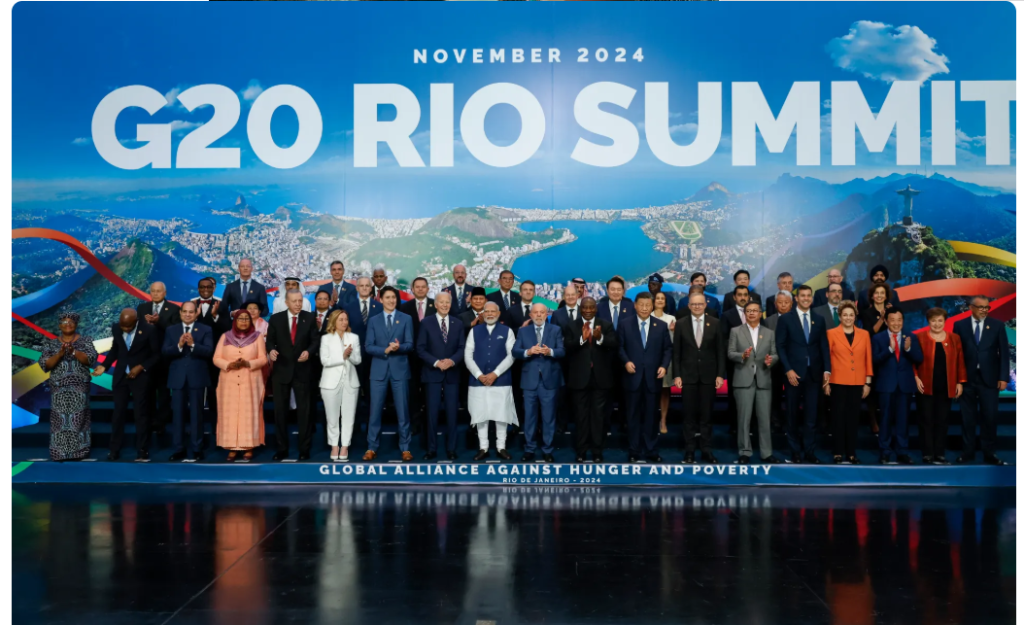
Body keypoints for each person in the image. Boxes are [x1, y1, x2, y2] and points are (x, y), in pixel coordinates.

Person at [93, 309, 160, 461]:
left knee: (140, 414)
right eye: (123, 326)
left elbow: (156, 355)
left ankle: (142, 450)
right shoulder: (116, 328)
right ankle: (114, 450)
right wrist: (104, 365)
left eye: (129, 326)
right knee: (118, 414)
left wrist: (141, 367)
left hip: (140, 378)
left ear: (136, 321)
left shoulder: (149, 330)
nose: (125, 329)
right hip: (121, 377)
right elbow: (115, 349)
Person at [776, 284, 832, 463]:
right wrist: (788, 369)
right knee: (792, 415)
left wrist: (827, 369)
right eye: (803, 295)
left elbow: (823, 346)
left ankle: (809, 451)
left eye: (809, 295)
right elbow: (780, 346)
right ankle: (795, 452)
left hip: (814, 375)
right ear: (796, 298)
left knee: (811, 417)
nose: (806, 298)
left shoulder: (819, 319)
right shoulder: (786, 319)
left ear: (812, 298)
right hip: (793, 375)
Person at [952, 296, 1010, 465]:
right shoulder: (960, 325)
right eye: (981, 307)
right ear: (971, 307)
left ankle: (990, 453)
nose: (984, 310)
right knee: (967, 418)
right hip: (966, 379)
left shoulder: (997, 325)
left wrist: (1003, 377)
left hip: (990, 379)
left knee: (990, 417)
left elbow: (1004, 353)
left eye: (987, 307)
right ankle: (967, 453)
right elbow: (955, 354)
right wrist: (956, 379)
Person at [267, 289, 321, 461]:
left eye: (300, 300)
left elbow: (315, 340)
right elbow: (270, 341)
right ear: (286, 302)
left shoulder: (309, 318)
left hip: (303, 371)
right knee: (280, 413)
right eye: (294, 301)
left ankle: (304, 449)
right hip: (281, 371)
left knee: (304, 413)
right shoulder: (276, 319)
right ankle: (281, 449)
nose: (298, 304)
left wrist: (309, 352)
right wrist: (271, 350)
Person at [618, 292, 672, 463]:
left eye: (647, 305)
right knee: (632, 416)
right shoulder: (625, 324)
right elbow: (619, 347)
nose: (644, 308)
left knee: (651, 416)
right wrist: (626, 362)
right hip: (632, 377)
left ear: (652, 306)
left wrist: (664, 366)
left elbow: (667, 349)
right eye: (641, 305)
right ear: (635, 305)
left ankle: (651, 450)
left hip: (652, 378)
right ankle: (633, 450)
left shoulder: (661, 326)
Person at [672, 292, 726, 464]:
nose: (697, 307)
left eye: (700, 304)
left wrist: (720, 375)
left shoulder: (715, 323)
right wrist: (677, 375)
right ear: (689, 306)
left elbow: (720, 351)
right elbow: (676, 352)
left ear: (705, 305)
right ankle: (689, 451)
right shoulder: (681, 323)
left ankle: (706, 450)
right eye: (694, 304)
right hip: (687, 376)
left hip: (709, 376)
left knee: (706, 416)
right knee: (688, 417)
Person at [362, 286, 414, 462]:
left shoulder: (406, 319)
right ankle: (371, 447)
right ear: (381, 299)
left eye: (394, 297)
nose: (391, 300)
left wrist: (399, 347)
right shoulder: (373, 320)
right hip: (378, 371)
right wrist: (385, 350)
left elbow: (410, 344)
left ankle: (405, 448)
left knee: (403, 411)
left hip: (400, 371)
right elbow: (368, 346)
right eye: (388, 297)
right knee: (375, 412)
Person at [39, 308, 98, 461]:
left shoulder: (85, 341)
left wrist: (74, 352)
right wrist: (59, 354)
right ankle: (59, 453)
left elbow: (90, 360)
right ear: (59, 325)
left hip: (79, 387)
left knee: (79, 420)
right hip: (58, 388)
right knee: (60, 420)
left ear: (76, 324)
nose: (68, 324)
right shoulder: (51, 344)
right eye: (64, 322)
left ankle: (79, 452)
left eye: (71, 322)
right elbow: (46, 365)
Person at [564, 297, 618, 463]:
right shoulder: (571, 326)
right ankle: (581, 451)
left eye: (591, 307)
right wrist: (582, 338)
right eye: (585, 307)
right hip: (579, 379)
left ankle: (597, 452)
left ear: (596, 309)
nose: (588, 310)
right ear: (580, 309)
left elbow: (614, 344)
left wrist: (600, 338)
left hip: (601, 379)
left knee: (598, 417)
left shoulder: (606, 325)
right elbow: (567, 347)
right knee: (580, 417)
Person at [727, 301, 779, 464]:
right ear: (745, 314)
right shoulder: (736, 331)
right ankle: (744, 452)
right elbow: (730, 353)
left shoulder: (769, 333)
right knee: (744, 419)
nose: (751, 313)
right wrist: (741, 356)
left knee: (764, 419)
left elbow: (775, 354)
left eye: (754, 311)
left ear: (760, 313)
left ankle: (766, 453)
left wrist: (771, 360)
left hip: (763, 380)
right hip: (743, 380)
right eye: (748, 311)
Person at [512, 303, 565, 463]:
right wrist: (528, 352)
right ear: (531, 315)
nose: (539, 315)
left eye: (542, 312)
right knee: (529, 417)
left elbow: (562, 351)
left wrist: (550, 351)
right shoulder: (523, 331)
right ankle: (529, 449)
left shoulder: (555, 330)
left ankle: (547, 449)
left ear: (547, 314)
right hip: (530, 381)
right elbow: (515, 351)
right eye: (536, 312)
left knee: (548, 417)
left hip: (549, 380)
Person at [416, 291, 465, 460]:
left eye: (447, 302)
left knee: (452, 414)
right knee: (431, 414)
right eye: (441, 302)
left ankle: (451, 449)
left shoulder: (458, 323)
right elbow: (420, 348)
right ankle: (431, 449)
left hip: (452, 375)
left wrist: (451, 361)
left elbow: (462, 348)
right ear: (435, 304)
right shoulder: (426, 322)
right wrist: (437, 363)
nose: (444, 305)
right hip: (432, 374)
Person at [213, 309, 268, 462]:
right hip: (229, 381)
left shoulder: (257, 337)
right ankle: (231, 447)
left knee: (248, 413)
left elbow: (263, 359)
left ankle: (248, 446)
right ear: (235, 321)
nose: (243, 321)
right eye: (240, 318)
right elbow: (216, 358)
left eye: (246, 318)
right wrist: (229, 364)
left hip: (250, 381)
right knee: (230, 414)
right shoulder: (225, 336)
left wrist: (248, 363)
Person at [163, 301, 214, 462]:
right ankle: (179, 449)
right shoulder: (171, 330)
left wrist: (193, 345)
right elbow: (165, 351)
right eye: (185, 311)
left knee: (197, 415)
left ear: (196, 314)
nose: (187, 314)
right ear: (180, 313)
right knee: (177, 415)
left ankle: (197, 448)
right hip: (177, 378)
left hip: (197, 377)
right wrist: (179, 345)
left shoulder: (206, 329)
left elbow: (209, 351)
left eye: (191, 312)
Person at [465, 302, 517, 461]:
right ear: (482, 314)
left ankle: (501, 447)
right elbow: (468, 355)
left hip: (501, 380)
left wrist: (495, 373)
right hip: (478, 381)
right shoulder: (474, 331)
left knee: (501, 414)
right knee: (481, 414)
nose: (489, 314)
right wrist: (479, 375)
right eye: (486, 311)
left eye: (492, 311)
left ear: (498, 313)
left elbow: (512, 355)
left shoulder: (507, 331)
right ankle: (483, 447)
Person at [915, 308, 967, 465]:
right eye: (933, 320)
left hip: (946, 386)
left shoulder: (954, 338)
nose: (936, 324)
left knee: (942, 420)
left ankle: (939, 453)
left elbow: (960, 361)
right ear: (928, 321)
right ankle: (927, 453)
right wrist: (915, 377)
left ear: (945, 321)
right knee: (926, 420)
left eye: (940, 320)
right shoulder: (920, 337)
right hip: (925, 386)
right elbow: (912, 361)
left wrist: (960, 382)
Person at [871, 308, 922, 464]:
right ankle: (885, 451)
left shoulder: (911, 337)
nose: (896, 323)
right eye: (892, 320)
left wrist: (908, 349)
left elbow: (919, 358)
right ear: (886, 321)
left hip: (905, 385)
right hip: (886, 385)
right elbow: (874, 360)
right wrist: (889, 350)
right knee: (885, 419)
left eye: (899, 320)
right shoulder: (878, 338)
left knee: (903, 420)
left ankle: (902, 451)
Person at [823, 302, 872, 464]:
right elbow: (827, 360)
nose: (848, 318)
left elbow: (868, 359)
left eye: (851, 315)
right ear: (840, 317)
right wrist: (826, 382)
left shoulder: (864, 334)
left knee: (853, 419)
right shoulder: (831, 333)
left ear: (855, 316)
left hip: (857, 382)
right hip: (837, 382)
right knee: (838, 418)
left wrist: (867, 382)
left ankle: (851, 453)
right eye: (845, 315)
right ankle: (838, 452)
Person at [137, 282, 180, 434]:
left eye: (158, 291)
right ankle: (149, 421)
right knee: (147, 391)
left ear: (165, 293)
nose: (155, 294)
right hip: (146, 357)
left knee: (163, 392)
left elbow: (176, 331)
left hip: (165, 358)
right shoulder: (142, 308)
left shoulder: (174, 309)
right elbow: (137, 330)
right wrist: (147, 324)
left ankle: (162, 422)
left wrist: (159, 321)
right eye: (153, 291)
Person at [319, 309, 362, 462]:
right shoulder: (326, 338)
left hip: (350, 382)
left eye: (346, 319)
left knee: (348, 416)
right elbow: (325, 360)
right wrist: (342, 356)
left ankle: (344, 446)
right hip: (330, 383)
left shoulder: (354, 337)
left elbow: (358, 360)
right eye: (341, 319)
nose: (344, 322)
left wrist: (349, 355)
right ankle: (334, 445)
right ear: (334, 321)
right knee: (332, 417)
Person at [343, 276, 383, 415]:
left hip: (374, 357)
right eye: (362, 285)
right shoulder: (348, 307)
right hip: (354, 356)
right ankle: (355, 423)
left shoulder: (379, 307)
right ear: (357, 288)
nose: (365, 288)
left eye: (367, 285)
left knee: (372, 392)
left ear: (371, 288)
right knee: (354, 392)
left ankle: (372, 423)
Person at [399, 276, 435, 434]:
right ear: (412, 289)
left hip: (432, 357)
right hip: (411, 357)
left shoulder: (436, 306)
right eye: (417, 287)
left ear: (428, 289)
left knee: (430, 393)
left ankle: (429, 424)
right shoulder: (404, 308)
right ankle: (414, 423)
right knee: (412, 392)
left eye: (423, 286)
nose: (420, 289)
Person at [720, 285, 750, 435]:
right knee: (734, 395)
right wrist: (740, 353)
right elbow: (724, 339)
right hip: (735, 363)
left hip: (754, 363)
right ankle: (734, 426)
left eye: (745, 295)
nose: (743, 297)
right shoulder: (727, 315)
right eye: (740, 295)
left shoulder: (755, 313)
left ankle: (751, 426)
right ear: (734, 297)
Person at [764, 290, 793, 429]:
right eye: (780, 302)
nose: (783, 305)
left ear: (791, 304)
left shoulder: (797, 319)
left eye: (786, 302)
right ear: (775, 304)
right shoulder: (768, 321)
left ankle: (790, 423)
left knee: (791, 396)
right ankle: (775, 422)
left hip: (792, 365)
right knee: (774, 396)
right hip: (774, 366)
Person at [651, 291, 676, 434]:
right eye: (657, 298)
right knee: (651, 392)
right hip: (650, 360)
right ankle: (651, 421)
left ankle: (663, 421)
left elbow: (674, 342)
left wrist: (674, 331)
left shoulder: (671, 318)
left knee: (665, 391)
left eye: (662, 299)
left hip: (666, 360)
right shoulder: (647, 317)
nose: (660, 300)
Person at [246, 301, 271, 386]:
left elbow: (268, 340)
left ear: (259, 311)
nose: (252, 310)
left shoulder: (265, 325)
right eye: (249, 308)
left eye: (255, 308)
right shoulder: (240, 323)